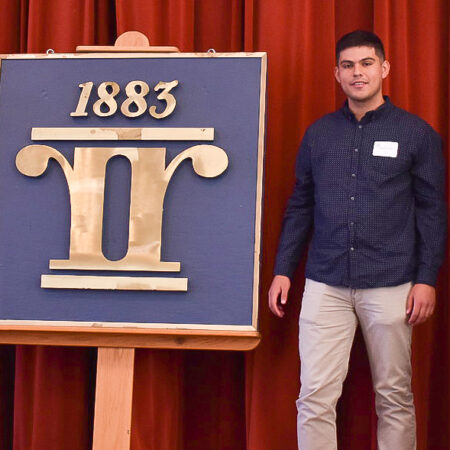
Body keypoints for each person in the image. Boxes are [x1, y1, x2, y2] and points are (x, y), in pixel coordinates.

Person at [268, 30, 446, 450]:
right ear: (337, 74)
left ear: (384, 68)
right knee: (314, 396)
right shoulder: (318, 135)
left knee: (394, 397)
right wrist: (283, 270)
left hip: (392, 283)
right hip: (325, 284)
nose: (357, 73)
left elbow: (432, 212)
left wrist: (426, 279)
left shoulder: (416, 134)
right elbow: (300, 206)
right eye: (348, 65)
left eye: (366, 63)